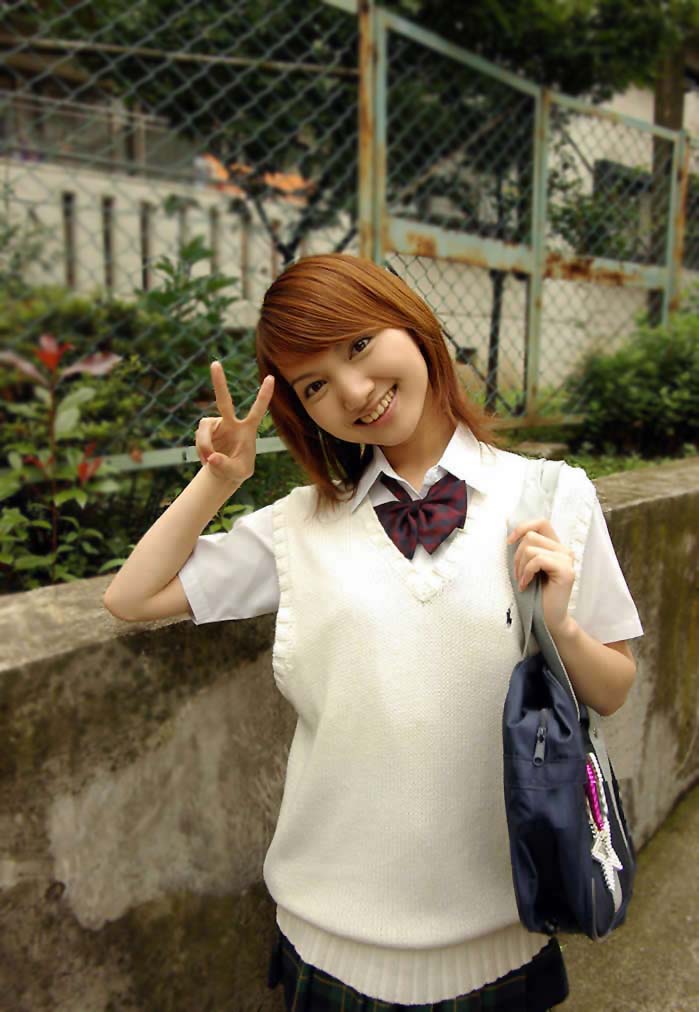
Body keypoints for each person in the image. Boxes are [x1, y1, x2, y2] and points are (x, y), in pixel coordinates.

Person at [103, 253, 643, 1011]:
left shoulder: (554, 496)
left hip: (502, 937)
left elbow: (612, 689)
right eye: (314, 385)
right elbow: (132, 596)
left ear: (412, 325)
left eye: (359, 345)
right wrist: (220, 479)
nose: (354, 391)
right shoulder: (298, 526)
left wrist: (559, 627)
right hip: (330, 939)